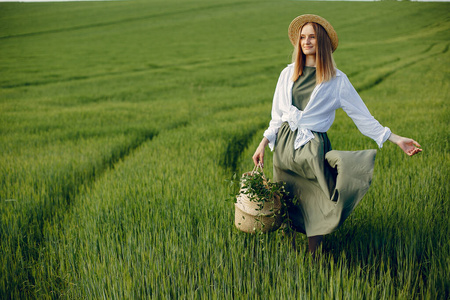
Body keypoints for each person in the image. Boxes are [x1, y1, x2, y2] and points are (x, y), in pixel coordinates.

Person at [252, 14, 422, 254]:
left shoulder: (337, 80)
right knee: (287, 200)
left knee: (319, 200)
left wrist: (395, 138)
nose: (306, 41)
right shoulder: (287, 74)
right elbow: (277, 117)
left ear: (321, 42)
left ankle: (314, 256)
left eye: (311, 37)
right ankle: (289, 251)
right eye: (302, 37)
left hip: (312, 148)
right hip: (284, 149)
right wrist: (263, 144)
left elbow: (362, 117)